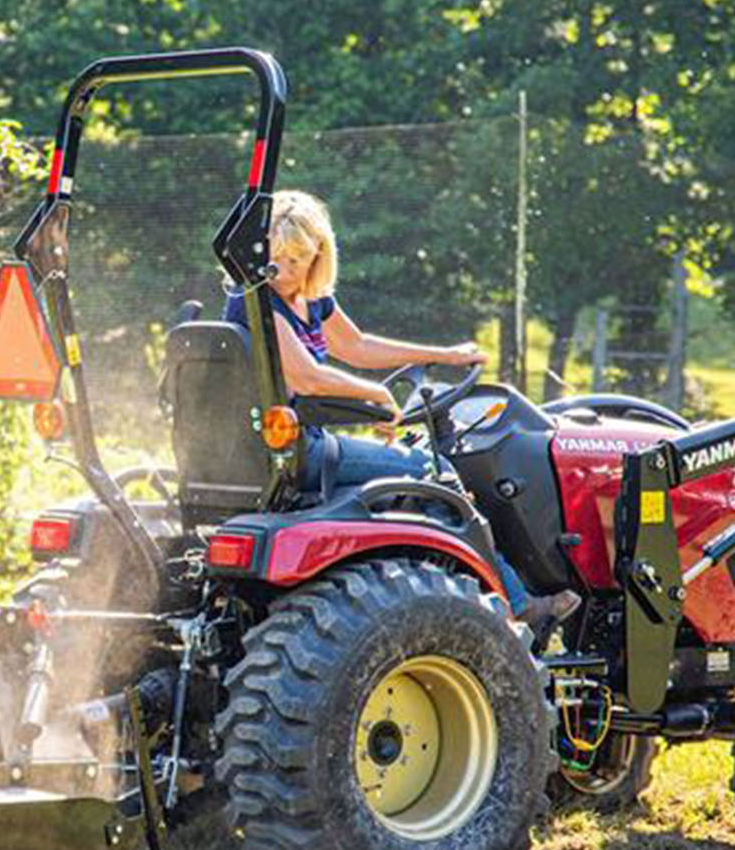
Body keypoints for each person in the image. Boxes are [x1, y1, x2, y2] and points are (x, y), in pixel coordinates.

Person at [222, 189, 579, 630]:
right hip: (302, 450)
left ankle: (451, 586)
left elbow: (357, 346)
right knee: (436, 471)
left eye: (299, 260)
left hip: (306, 442)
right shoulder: (256, 301)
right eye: (280, 260)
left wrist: (446, 355)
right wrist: (374, 397)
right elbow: (306, 377)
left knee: (416, 475)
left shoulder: (309, 301)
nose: (287, 272)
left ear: (319, 256)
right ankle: (516, 601)